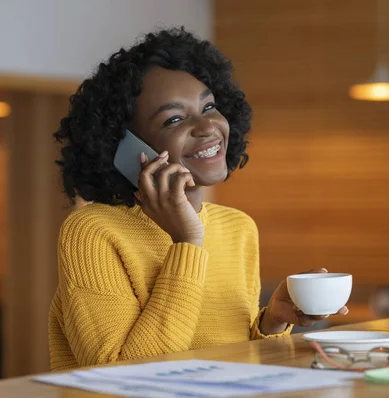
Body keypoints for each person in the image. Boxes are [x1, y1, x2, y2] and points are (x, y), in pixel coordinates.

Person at [48, 27, 348, 371]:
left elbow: (234, 364)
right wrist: (187, 242)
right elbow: (122, 372)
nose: (207, 126)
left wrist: (272, 322)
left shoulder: (238, 228)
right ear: (127, 148)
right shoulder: (92, 231)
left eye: (209, 106)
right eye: (174, 118)